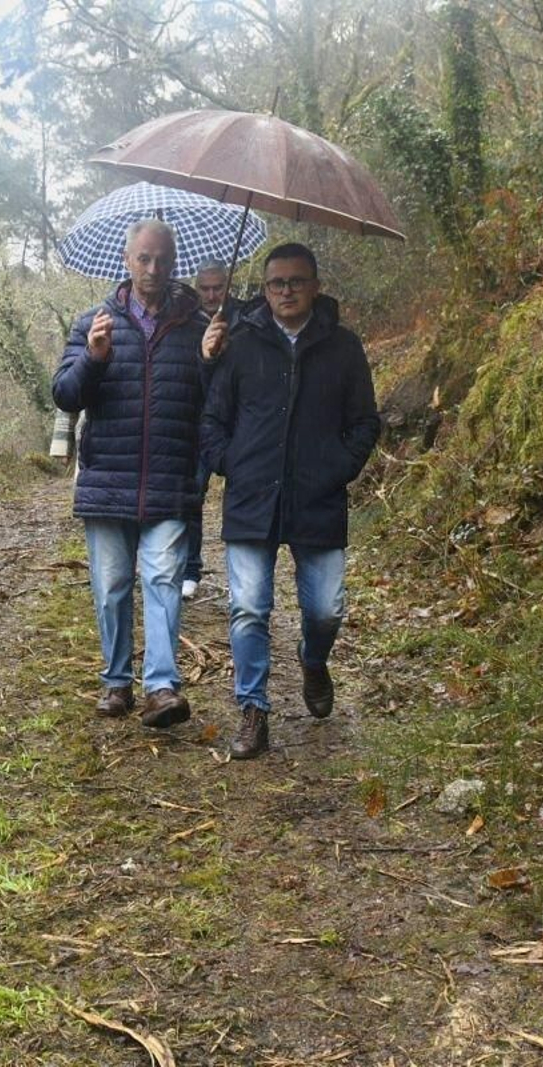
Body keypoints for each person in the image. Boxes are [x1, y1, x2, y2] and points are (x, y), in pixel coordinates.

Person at [199, 242, 380, 760]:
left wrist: (337, 468)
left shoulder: (343, 347)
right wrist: (230, 461)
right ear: (264, 289)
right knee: (248, 608)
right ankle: (253, 709)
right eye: (276, 283)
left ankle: (312, 658)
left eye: (296, 281)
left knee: (325, 608)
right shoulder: (241, 343)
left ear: (315, 286)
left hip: (318, 500)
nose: (286, 291)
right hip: (252, 499)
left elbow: (366, 421)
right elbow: (211, 419)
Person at [53, 219, 208, 728]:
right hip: (107, 481)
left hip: (171, 478)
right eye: (143, 258)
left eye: (162, 259)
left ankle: (161, 687)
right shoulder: (92, 323)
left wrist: (217, 358)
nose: (153, 269)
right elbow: (65, 396)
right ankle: (116, 681)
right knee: (113, 585)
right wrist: (93, 360)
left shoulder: (198, 326)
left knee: (163, 579)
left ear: (174, 263)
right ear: (126, 260)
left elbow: (216, 401)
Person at [181, 259, 241, 600]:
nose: (211, 294)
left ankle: (242, 577)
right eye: (205, 288)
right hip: (195, 421)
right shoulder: (186, 323)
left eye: (218, 287)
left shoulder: (244, 320)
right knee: (192, 497)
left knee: (240, 499)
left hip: (235, 424)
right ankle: (190, 568)